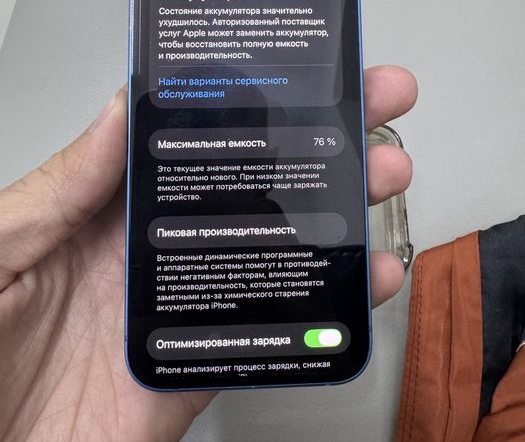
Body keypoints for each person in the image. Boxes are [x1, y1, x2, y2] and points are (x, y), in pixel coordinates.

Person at [0, 65, 417, 441]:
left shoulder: (274, 234)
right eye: (203, 135)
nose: (225, 154)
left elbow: (322, 338)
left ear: (269, 162)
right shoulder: (140, 258)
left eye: (245, 135)